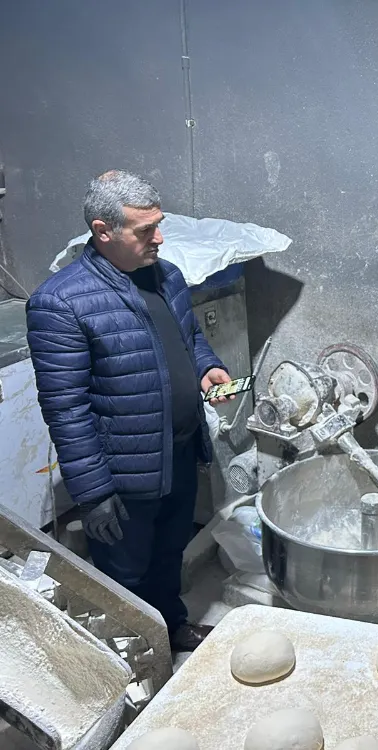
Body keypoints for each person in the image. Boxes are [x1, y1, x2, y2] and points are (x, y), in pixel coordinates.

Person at [26, 170, 234, 653]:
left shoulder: (167, 275)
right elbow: (66, 408)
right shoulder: (60, 303)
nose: (159, 238)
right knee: (125, 573)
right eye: (146, 230)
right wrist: (93, 493)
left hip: (179, 453)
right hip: (123, 476)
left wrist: (206, 367)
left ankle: (171, 627)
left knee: (168, 554)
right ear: (103, 231)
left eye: (158, 225)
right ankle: (132, 659)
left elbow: (188, 337)